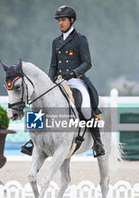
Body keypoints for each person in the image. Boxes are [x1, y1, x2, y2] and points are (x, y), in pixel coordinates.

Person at [21, 5, 105, 157]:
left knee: (85, 107)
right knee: (41, 103)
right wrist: (48, 81)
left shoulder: (80, 39)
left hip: (76, 81)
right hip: (58, 81)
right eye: (59, 20)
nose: (60, 23)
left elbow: (87, 62)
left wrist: (74, 72)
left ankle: (98, 142)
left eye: (63, 20)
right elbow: (53, 65)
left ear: (71, 20)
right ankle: (33, 141)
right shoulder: (56, 42)